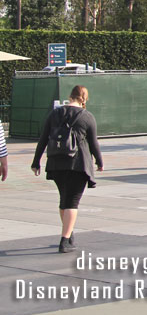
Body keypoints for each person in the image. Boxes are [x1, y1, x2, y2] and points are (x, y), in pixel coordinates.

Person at [30, 85, 103, 253]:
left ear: (70, 96)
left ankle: (69, 235)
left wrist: (36, 162)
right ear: (84, 98)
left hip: (56, 164)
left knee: (64, 200)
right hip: (78, 165)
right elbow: (93, 143)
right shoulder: (87, 117)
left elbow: (43, 139)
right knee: (72, 202)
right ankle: (64, 241)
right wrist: (99, 161)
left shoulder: (54, 114)